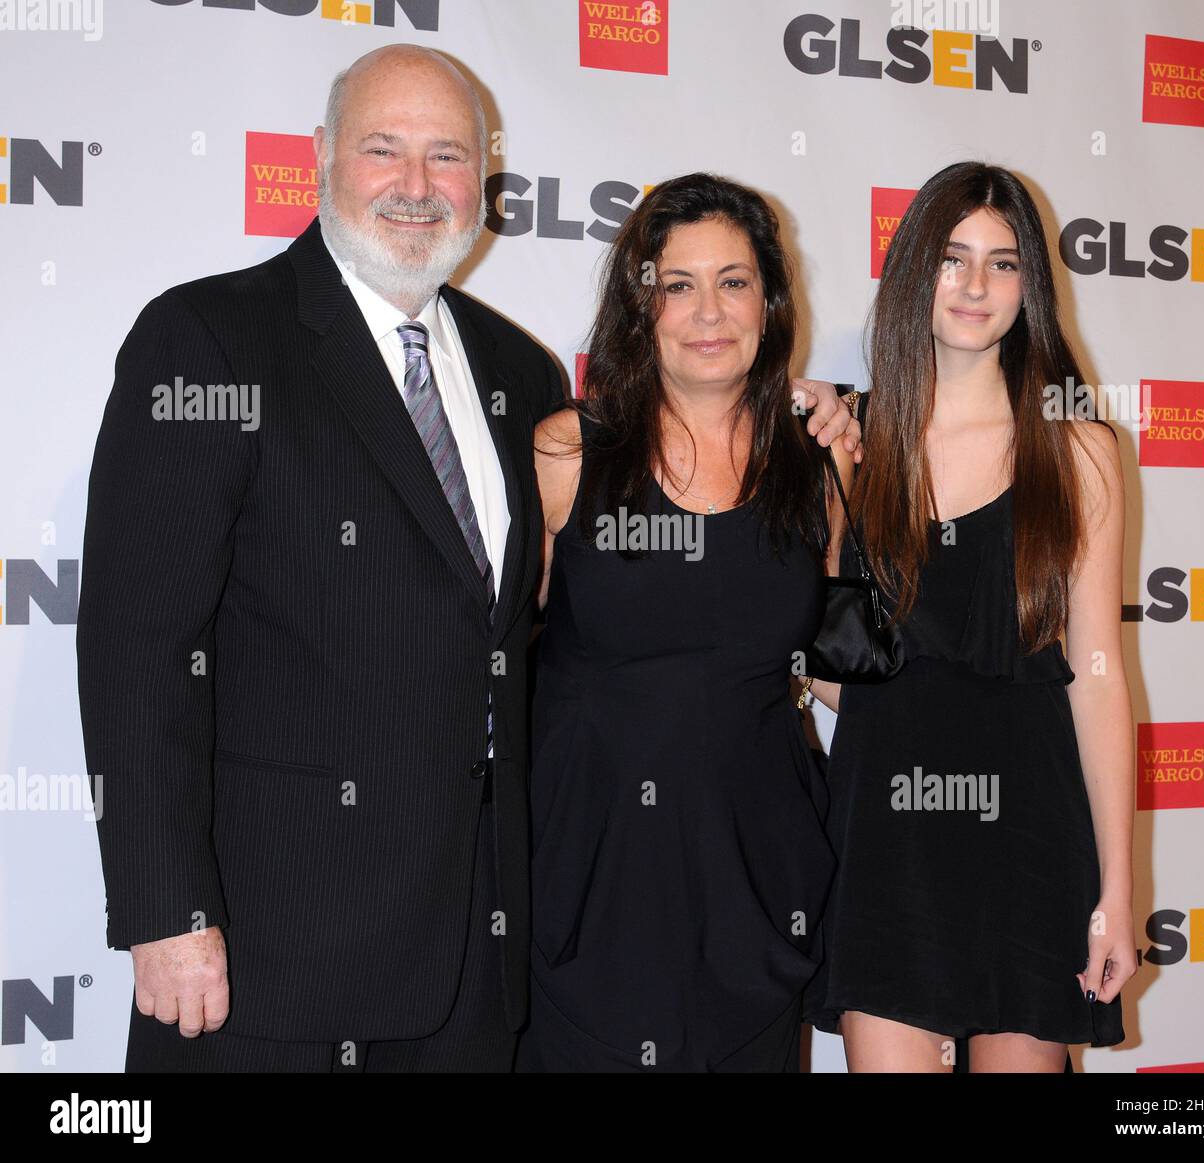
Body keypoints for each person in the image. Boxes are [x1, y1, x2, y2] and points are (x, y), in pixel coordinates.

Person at [77, 47, 859, 1073]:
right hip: (272, 951)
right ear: (320, 158)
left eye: (446, 155)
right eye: (383, 149)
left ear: (482, 183)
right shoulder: (211, 340)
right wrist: (162, 908)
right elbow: (139, 641)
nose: (415, 185)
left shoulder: (513, 372)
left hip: (477, 954)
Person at [517, 173, 855, 1073]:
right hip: (589, 888)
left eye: (734, 281)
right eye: (678, 284)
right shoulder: (569, 451)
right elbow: (491, 666)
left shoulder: (817, 466)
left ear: (770, 301)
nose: (709, 310)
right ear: (643, 304)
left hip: (755, 887)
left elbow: (842, 669)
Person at [806, 162, 1137, 1072]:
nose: (976, 286)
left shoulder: (1079, 451)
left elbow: (1099, 676)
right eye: (953, 259)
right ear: (917, 269)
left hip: (1029, 837)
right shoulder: (851, 442)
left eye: (1002, 263)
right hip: (883, 840)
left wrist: (1117, 885)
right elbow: (840, 670)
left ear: (1032, 284)